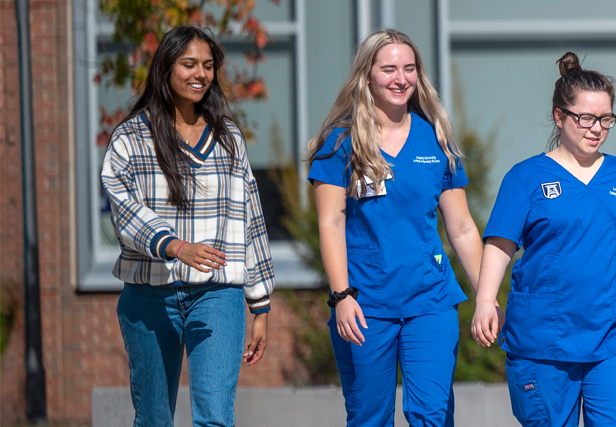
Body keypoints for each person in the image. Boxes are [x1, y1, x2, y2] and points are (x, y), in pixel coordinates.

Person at [470, 52, 616, 427]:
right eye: (585, 118)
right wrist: (486, 300)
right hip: (543, 336)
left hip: (615, 333)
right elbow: (500, 245)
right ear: (559, 116)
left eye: (606, 119)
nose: (596, 128)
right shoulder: (525, 177)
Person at [308, 29, 484, 427]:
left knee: (432, 415)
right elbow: (330, 222)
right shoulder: (340, 143)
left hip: (430, 300)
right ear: (367, 75)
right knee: (369, 416)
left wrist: (487, 297)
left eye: (409, 69)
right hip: (365, 304)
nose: (400, 78)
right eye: (388, 69)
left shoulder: (436, 139)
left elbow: (461, 229)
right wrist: (341, 296)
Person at [103, 25, 275, 427]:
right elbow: (124, 211)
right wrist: (175, 246)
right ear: (166, 68)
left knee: (215, 417)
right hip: (149, 294)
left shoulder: (228, 137)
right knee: (154, 419)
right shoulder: (131, 138)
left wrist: (261, 303)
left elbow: (250, 217)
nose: (200, 74)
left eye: (208, 66)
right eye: (189, 64)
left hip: (217, 295)